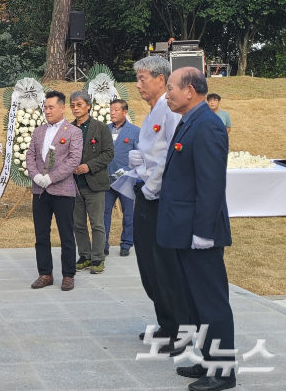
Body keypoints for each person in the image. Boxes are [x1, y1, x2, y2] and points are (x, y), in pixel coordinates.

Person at [161, 67, 235, 391]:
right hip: (183, 230)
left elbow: (212, 185)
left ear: (189, 90)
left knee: (211, 302)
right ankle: (208, 360)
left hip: (198, 232)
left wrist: (204, 232)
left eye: (171, 88)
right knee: (193, 302)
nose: (167, 94)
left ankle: (223, 372)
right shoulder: (191, 120)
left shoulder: (208, 125)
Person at [112, 56, 189, 357]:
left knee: (165, 267)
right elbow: (151, 154)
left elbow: (169, 157)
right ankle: (165, 323)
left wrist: (150, 183)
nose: (138, 84)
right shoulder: (153, 111)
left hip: (159, 197)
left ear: (161, 79)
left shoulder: (170, 111)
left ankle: (181, 331)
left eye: (143, 78)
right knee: (149, 265)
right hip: (145, 193)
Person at [25, 91, 83, 291]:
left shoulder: (73, 131)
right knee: (41, 234)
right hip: (39, 190)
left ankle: (68, 275)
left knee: (66, 235)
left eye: (51, 107)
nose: (47, 111)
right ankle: (45, 274)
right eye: (45, 107)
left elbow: (73, 160)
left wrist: (51, 177)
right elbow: (30, 155)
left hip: (62, 189)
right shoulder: (38, 131)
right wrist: (36, 176)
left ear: (62, 108)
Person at [70, 91, 114, 274]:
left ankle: (98, 258)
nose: (75, 108)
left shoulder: (100, 128)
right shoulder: (68, 128)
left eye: (79, 104)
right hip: (73, 185)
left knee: (97, 223)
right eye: (72, 105)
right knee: (78, 224)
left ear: (89, 105)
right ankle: (85, 255)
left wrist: (89, 166)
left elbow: (109, 153)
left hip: (94, 183)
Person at [104, 100, 140, 257]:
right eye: (111, 110)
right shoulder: (104, 129)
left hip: (126, 180)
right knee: (103, 213)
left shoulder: (134, 131)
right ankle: (102, 244)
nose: (112, 112)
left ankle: (126, 243)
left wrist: (128, 171)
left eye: (116, 110)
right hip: (106, 179)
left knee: (128, 213)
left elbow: (139, 156)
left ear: (125, 112)